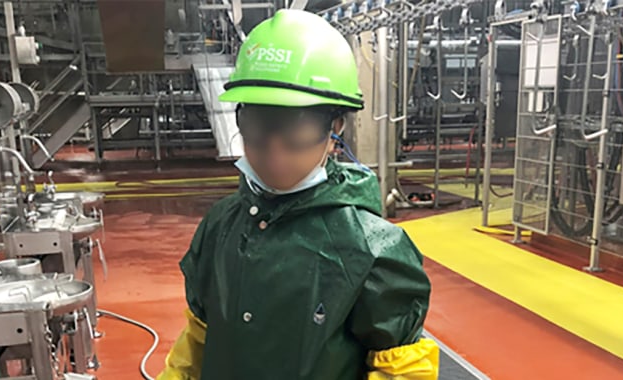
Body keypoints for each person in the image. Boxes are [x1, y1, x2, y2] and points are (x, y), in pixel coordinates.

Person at [157, 9, 438, 380]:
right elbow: (199, 338)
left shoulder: (372, 250)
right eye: (258, 124)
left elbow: (401, 368)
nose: (274, 150)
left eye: (296, 129)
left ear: (334, 126)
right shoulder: (220, 225)